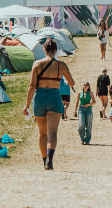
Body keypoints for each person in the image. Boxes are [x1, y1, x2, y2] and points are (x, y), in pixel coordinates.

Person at [24, 38, 75, 170]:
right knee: (52, 132)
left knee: (42, 133)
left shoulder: (37, 64)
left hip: (40, 97)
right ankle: (50, 161)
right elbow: (72, 82)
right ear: (56, 50)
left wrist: (26, 105)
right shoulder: (61, 65)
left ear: (44, 49)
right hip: (54, 97)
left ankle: (44, 160)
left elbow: (31, 86)